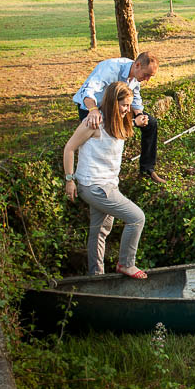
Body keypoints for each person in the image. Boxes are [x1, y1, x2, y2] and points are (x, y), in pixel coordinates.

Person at [64, 81, 147, 278]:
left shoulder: (118, 121)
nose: (128, 110)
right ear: (111, 102)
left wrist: (136, 121)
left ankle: (96, 276)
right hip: (93, 186)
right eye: (124, 105)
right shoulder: (93, 123)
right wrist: (69, 180)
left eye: (129, 105)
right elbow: (69, 148)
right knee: (136, 218)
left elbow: (118, 134)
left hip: (108, 185)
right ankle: (126, 264)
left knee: (100, 231)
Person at [72, 51, 163, 183]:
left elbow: (135, 95)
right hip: (93, 107)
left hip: (117, 108)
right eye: (147, 75)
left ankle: (147, 170)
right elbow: (88, 90)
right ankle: (99, 174)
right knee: (107, 133)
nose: (147, 79)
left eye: (151, 76)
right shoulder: (110, 68)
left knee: (151, 123)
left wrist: (139, 115)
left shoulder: (136, 76)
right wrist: (93, 110)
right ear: (137, 65)